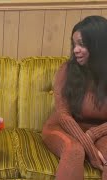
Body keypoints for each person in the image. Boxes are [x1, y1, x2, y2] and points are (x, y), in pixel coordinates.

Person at [42, 15, 107, 180]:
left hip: (100, 133)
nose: (75, 49)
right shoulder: (66, 70)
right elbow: (63, 115)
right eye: (74, 44)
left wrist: (92, 135)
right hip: (62, 127)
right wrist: (89, 147)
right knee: (75, 150)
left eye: (82, 44)